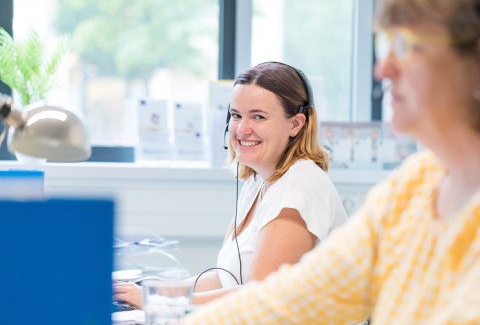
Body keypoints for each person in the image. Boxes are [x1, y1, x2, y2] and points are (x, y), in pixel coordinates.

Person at [184, 0, 480, 324]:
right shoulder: (419, 183)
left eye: (406, 46)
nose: (383, 70)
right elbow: (291, 300)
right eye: (384, 46)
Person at [113, 61, 348, 308]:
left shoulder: (300, 187)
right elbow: (225, 279)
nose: (242, 129)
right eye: (236, 115)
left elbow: (259, 299)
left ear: (296, 124)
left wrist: (157, 300)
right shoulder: (258, 182)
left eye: (258, 116)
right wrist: (152, 291)